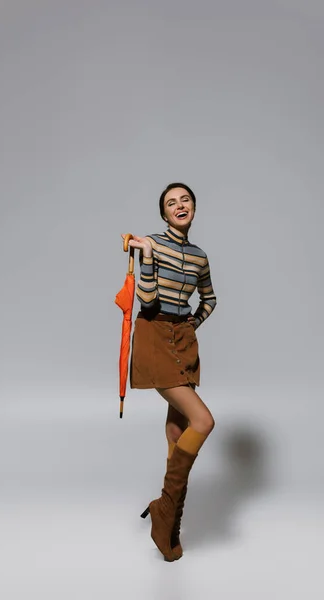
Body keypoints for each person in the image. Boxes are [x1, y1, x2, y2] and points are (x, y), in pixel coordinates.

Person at [123, 182, 217, 562]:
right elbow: (146, 299)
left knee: (178, 430)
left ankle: (169, 524)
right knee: (203, 421)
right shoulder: (153, 243)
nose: (180, 206)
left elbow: (209, 298)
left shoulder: (199, 256)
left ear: (194, 207)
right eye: (171, 203)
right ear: (164, 214)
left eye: (185, 200)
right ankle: (164, 507)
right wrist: (146, 255)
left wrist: (193, 323)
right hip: (154, 335)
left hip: (182, 339)